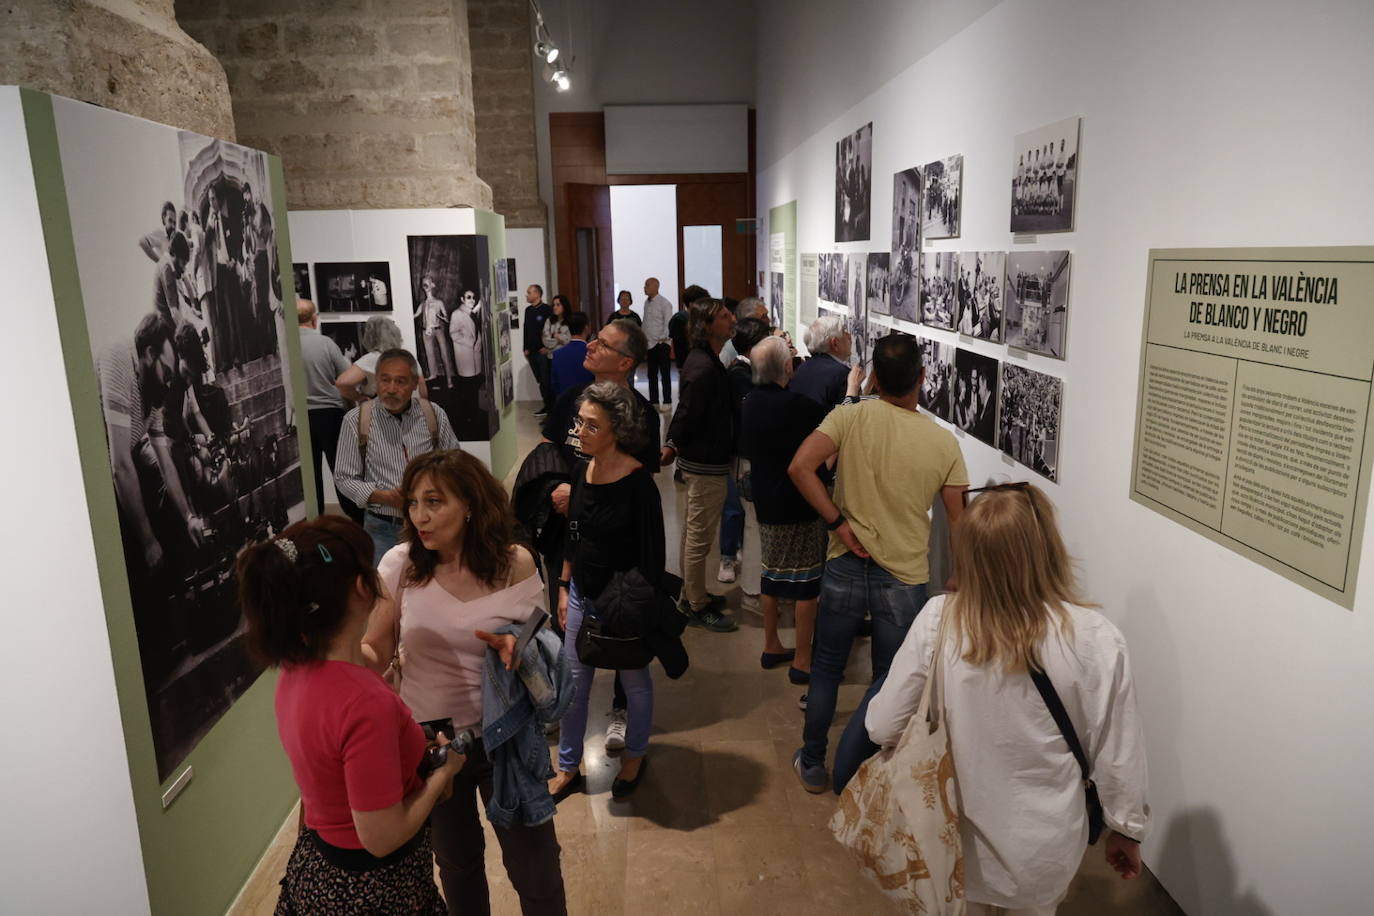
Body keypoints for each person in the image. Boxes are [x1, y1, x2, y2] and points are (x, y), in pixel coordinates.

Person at [865, 484, 1150, 914]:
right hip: (1043, 849)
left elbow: (881, 727)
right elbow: (1118, 750)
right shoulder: (1095, 639)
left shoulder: (939, 622)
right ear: (1046, 548)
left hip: (950, 835)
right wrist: (1126, 829)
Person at [362, 451, 568, 915]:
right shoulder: (399, 565)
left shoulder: (514, 563)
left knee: (535, 870)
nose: (420, 516)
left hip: (506, 739)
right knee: (457, 868)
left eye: (434, 501)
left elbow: (544, 642)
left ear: (471, 504)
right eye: (413, 503)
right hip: (430, 741)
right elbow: (374, 648)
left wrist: (521, 652)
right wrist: (335, 653)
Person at [236, 515, 459, 914]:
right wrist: (443, 773)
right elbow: (381, 836)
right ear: (362, 587)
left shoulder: (293, 670)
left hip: (319, 872)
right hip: (376, 890)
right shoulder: (364, 703)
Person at [787, 334, 969, 792]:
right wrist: (960, 573)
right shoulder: (941, 442)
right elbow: (959, 519)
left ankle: (813, 761)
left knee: (827, 667)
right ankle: (865, 768)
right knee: (890, 679)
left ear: (872, 376)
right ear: (922, 379)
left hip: (846, 562)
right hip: (904, 574)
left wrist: (838, 523)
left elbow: (800, 468)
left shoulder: (851, 415)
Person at [537, 318, 658, 751]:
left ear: (625, 361)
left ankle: (621, 711)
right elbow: (549, 452)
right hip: (567, 530)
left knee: (622, 628)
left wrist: (590, 495)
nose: (589, 346)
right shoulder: (571, 398)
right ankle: (563, 703)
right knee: (565, 615)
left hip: (614, 544)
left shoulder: (641, 415)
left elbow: (638, 484)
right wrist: (557, 489)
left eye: (602, 344)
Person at [548, 382, 665, 801]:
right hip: (581, 591)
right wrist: (563, 586)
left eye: (591, 425)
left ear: (617, 428)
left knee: (634, 681)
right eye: (580, 422)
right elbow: (573, 534)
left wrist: (633, 606)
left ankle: (634, 759)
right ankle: (567, 766)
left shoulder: (638, 486)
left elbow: (652, 558)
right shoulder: (584, 469)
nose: (580, 432)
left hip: (621, 602)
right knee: (574, 686)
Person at [740, 336, 827, 685]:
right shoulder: (799, 406)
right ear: (787, 368)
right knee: (806, 582)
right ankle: (803, 659)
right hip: (799, 500)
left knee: (771, 572)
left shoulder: (749, 402)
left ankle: (772, 643)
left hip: (765, 499)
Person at [333, 349, 459, 564]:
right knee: (387, 593)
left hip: (433, 522)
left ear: (414, 384)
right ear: (376, 381)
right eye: (385, 380)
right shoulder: (356, 420)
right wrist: (384, 497)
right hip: (382, 527)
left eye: (400, 381)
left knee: (436, 589)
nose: (391, 389)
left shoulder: (434, 414)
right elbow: (344, 477)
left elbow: (455, 464)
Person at [663, 298, 737, 632]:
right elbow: (688, 412)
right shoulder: (704, 367)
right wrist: (672, 443)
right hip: (705, 463)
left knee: (694, 532)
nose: (731, 319)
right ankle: (695, 604)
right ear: (707, 325)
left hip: (704, 459)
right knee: (699, 537)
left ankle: (690, 593)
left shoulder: (704, 360)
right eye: (724, 316)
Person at [717, 316, 770, 590]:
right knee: (734, 507)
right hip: (739, 450)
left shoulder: (746, 371)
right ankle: (727, 557)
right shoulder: (740, 374)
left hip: (743, 449)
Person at [297, 298, 361, 521]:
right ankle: (356, 519)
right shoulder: (325, 344)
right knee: (341, 471)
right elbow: (346, 378)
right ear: (314, 319)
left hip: (303, 417)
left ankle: (316, 523)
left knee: (311, 475)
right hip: (331, 414)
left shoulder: (288, 346)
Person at [336, 315, 429, 403]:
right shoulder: (409, 357)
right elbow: (423, 392)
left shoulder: (372, 358)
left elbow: (342, 383)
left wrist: (360, 398)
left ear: (369, 337)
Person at [791, 315, 855, 412]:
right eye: (844, 332)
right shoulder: (841, 374)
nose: (849, 336)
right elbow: (849, 416)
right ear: (835, 344)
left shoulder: (803, 367)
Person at [448, 288, 486, 434]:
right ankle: (467, 419)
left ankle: (473, 415)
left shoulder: (471, 313)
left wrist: (478, 343)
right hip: (465, 356)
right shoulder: (457, 314)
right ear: (462, 299)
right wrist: (470, 342)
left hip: (474, 356)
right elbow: (453, 334)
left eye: (473, 297)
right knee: (467, 388)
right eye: (468, 297)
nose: (472, 300)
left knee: (473, 386)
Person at [413, 274, 456, 387]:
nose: (425, 283)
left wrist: (442, 317)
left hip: (437, 330)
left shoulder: (438, 302)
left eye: (428, 281)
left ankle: (449, 380)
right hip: (426, 331)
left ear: (432, 285)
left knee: (444, 354)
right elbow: (415, 315)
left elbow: (446, 319)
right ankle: (433, 375)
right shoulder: (423, 304)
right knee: (429, 355)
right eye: (423, 282)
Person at [522, 284, 555, 416]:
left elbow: (552, 330)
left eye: (529, 292)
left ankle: (551, 407)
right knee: (540, 381)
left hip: (543, 352)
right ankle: (547, 406)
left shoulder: (547, 309)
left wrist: (548, 347)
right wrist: (525, 347)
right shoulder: (528, 310)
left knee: (547, 380)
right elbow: (526, 330)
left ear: (537, 294)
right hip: (531, 352)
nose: (527, 295)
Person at [641, 278, 674, 405]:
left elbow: (668, 325)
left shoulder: (665, 303)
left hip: (661, 344)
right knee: (651, 375)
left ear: (656, 286)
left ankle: (667, 401)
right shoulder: (646, 303)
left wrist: (661, 340)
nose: (644, 287)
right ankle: (654, 401)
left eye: (647, 285)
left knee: (665, 375)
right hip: (649, 344)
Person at [550, 311, 593, 396]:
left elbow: (555, 384)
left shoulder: (557, 354)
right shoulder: (591, 352)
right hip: (588, 401)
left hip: (565, 401)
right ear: (586, 328)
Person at [668, 284, 706, 373]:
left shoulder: (698, 318)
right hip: (688, 363)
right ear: (691, 304)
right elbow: (680, 344)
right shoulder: (680, 319)